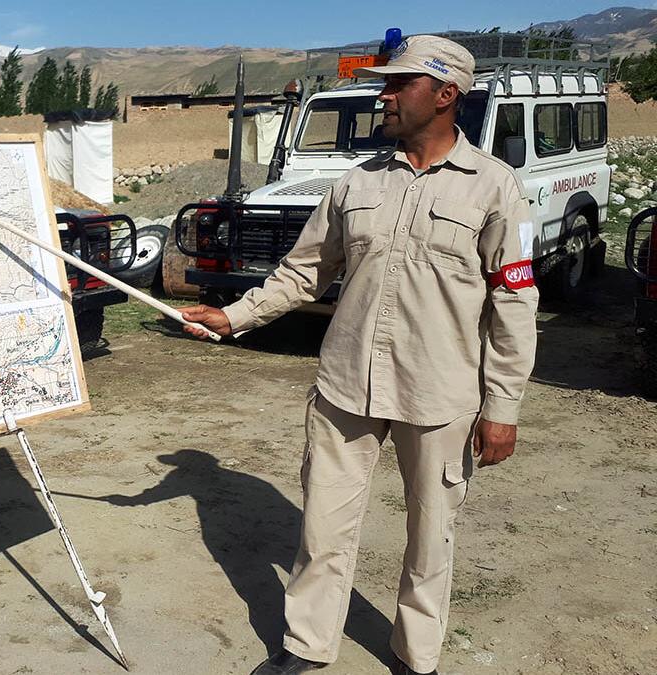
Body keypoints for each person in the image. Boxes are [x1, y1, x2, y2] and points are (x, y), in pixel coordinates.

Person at [181, 35, 538, 675]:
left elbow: (514, 301)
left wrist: (503, 407)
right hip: (347, 385)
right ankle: (306, 644)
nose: (385, 96)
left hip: (441, 393)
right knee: (323, 527)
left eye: (400, 84)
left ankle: (416, 656)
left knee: (431, 536)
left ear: (445, 94)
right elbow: (304, 273)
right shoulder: (356, 182)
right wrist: (233, 316)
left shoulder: (495, 188)